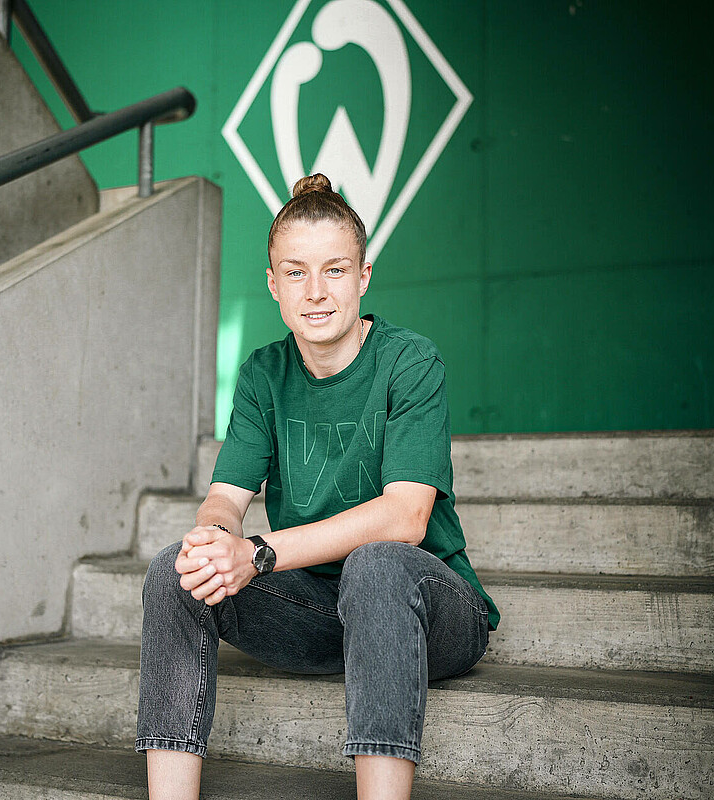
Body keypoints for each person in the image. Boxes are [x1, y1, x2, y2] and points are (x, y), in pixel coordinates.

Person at [135, 173, 500, 800]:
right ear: (274, 284)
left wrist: (258, 553)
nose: (316, 292)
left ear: (362, 277)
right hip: (317, 615)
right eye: (296, 272)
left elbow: (406, 518)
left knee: (376, 566)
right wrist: (218, 539)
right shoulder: (263, 373)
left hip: (426, 612)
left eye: (334, 270)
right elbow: (226, 496)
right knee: (178, 568)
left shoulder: (409, 362)